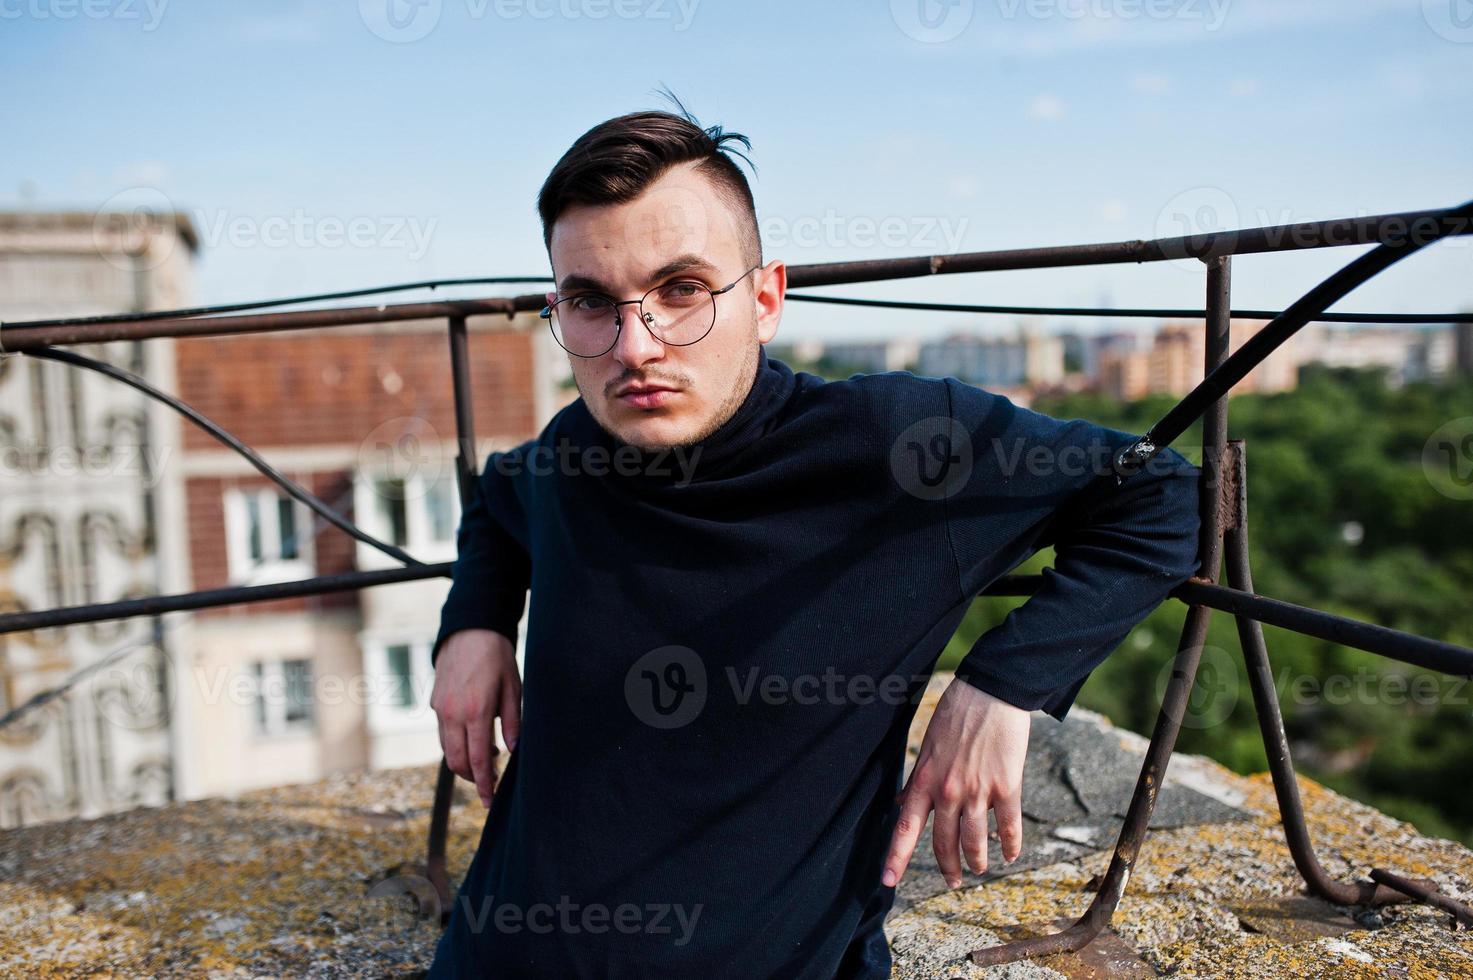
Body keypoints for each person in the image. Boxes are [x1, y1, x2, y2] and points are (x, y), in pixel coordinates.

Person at [425, 103, 1202, 978]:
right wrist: (474, 622)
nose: (633, 346)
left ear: (764, 299)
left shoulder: (897, 447)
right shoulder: (570, 452)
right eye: (590, 303)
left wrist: (1006, 682)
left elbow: (1162, 491)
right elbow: (497, 495)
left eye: (681, 291)